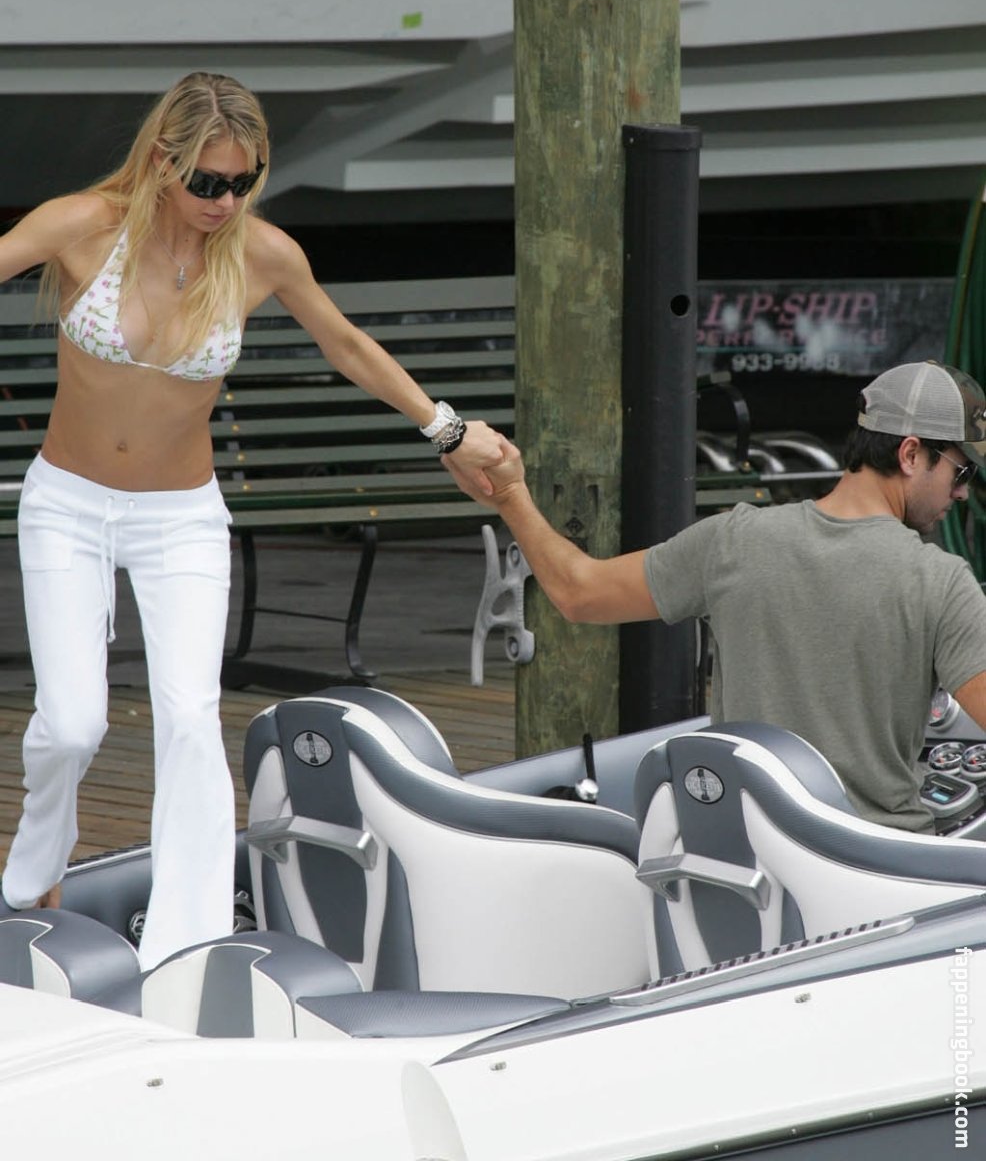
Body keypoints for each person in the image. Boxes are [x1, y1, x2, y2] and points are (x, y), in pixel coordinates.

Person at [0, 71, 503, 967]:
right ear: (163, 160)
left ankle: (187, 945)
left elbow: (344, 344)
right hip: (68, 505)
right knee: (72, 724)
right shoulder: (80, 226)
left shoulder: (261, 254)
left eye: (244, 182)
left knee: (190, 719)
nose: (225, 201)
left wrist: (449, 430)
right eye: (208, 181)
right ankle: (33, 872)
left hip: (181, 518)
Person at [446, 359, 986, 834]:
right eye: (960, 470)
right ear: (910, 454)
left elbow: (577, 593)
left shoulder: (734, 541)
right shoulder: (941, 582)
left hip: (740, 857)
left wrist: (511, 494)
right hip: (877, 870)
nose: (963, 492)